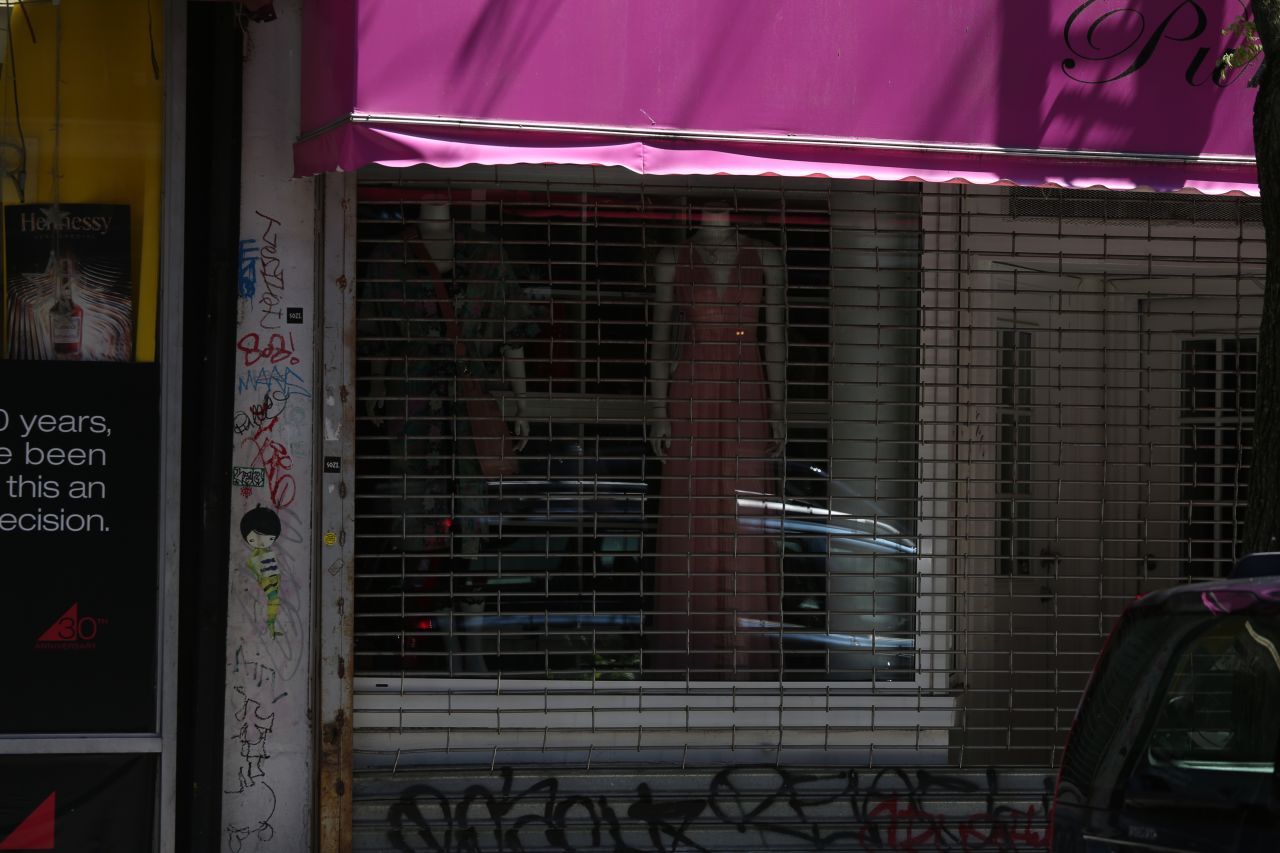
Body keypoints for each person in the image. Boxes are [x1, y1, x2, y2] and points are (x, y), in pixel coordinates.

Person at [359, 200, 538, 673]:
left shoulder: (487, 255)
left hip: (472, 405)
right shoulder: (387, 258)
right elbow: (378, 335)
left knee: (472, 528)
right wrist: (379, 388)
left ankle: (472, 652)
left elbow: (511, 333)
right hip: (414, 409)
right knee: (418, 531)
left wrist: (520, 400)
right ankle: (431, 647)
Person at [647, 201, 786, 680]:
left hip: (748, 388)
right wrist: (658, 409)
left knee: (745, 516)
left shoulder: (765, 257)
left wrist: (778, 406)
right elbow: (660, 339)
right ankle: (695, 657)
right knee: (694, 512)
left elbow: (775, 337)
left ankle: (745, 658)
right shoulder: (673, 259)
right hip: (693, 388)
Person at [240, 505, 282, 638]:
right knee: (274, 600)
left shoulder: (267, 552)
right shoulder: (255, 556)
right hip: (266, 580)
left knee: (274, 601)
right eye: (255, 538)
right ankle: (270, 627)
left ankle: (271, 627)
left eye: (269, 538)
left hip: (273, 578)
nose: (263, 542)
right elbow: (260, 571)